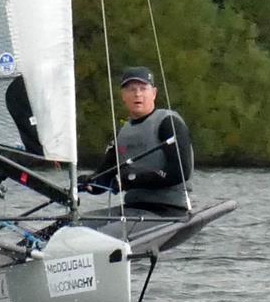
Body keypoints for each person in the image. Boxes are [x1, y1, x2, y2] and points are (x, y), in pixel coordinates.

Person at [79, 66, 193, 212]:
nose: (137, 94)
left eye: (143, 88)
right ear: (123, 96)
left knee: (90, 231)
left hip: (169, 209)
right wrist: (88, 182)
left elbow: (180, 172)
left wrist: (131, 180)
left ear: (154, 93)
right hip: (133, 208)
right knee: (66, 228)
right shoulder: (122, 133)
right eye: (131, 89)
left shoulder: (168, 122)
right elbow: (105, 177)